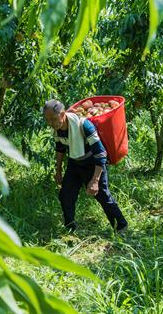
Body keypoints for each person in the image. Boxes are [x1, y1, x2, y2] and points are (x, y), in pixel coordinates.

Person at [43, 99, 128, 233]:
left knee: (102, 196)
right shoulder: (58, 129)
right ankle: (70, 227)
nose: (50, 124)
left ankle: (121, 225)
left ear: (63, 114)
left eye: (53, 119)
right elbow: (60, 148)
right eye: (47, 120)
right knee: (66, 194)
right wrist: (58, 170)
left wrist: (94, 180)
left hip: (93, 162)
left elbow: (100, 154)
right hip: (75, 162)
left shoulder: (84, 125)